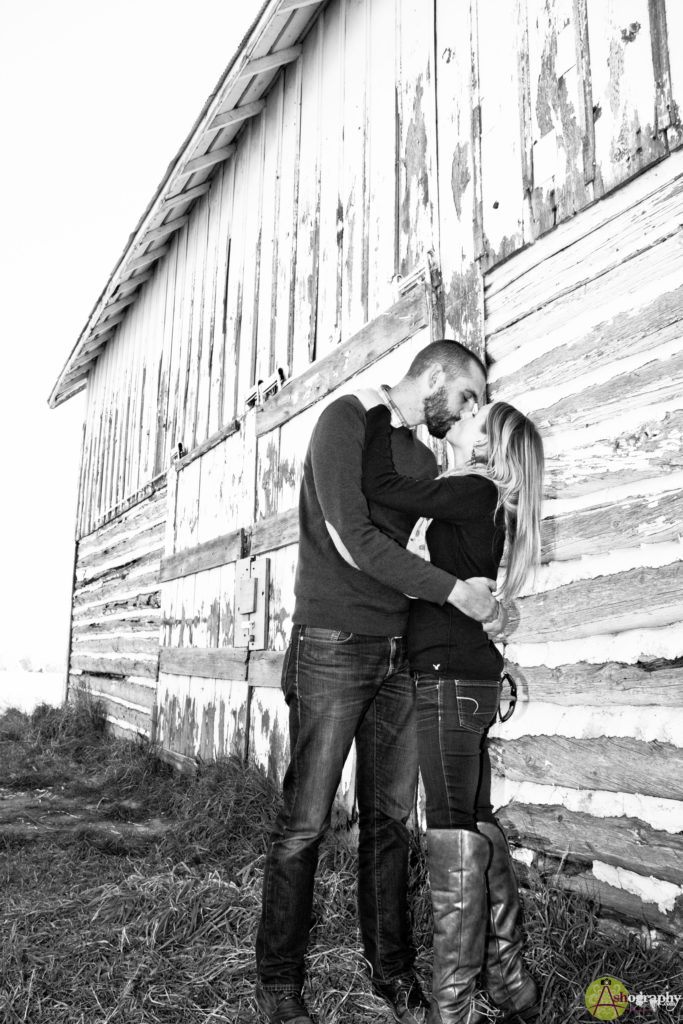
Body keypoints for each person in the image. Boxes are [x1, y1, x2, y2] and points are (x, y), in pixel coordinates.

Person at [255, 341, 502, 1024]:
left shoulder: (420, 456)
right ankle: (278, 982)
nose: (466, 411)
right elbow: (352, 539)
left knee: (389, 822)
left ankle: (389, 970)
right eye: (465, 397)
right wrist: (454, 592)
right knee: (304, 822)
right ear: (435, 376)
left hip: (399, 652)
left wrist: (477, 592)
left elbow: (424, 545)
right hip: (333, 642)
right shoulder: (344, 419)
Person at [361, 398, 544, 1024]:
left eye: (473, 419)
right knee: (473, 819)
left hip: (446, 673)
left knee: (449, 832)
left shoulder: (470, 489)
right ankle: (511, 981)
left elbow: (383, 486)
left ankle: (453, 1007)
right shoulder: (485, 500)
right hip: (467, 673)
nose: (460, 419)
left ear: (487, 447)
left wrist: (386, 415)